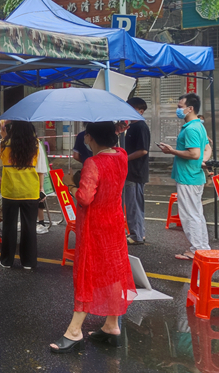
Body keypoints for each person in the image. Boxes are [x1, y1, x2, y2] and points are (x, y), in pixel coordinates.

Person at [50, 121, 136, 353]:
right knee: (114, 271)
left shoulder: (93, 162)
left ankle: (75, 330)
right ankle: (111, 324)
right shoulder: (121, 155)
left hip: (95, 226)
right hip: (116, 222)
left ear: (90, 138)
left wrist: (71, 186)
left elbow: (86, 198)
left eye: (86, 136)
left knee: (88, 273)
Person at [157, 92, 210, 260]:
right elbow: (205, 150)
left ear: (190, 108)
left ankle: (196, 250)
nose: (178, 110)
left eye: (180, 107)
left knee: (189, 215)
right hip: (193, 175)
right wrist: (203, 160)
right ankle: (202, 247)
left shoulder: (192, 129)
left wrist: (171, 151)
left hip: (188, 177)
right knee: (196, 213)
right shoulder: (198, 125)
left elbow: (194, 154)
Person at [0, 121, 42, 271]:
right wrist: (41, 189)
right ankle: (28, 262)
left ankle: (6, 261)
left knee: (9, 226)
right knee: (29, 227)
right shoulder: (36, 144)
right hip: (30, 190)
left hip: (10, 191)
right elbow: (41, 168)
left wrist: (3, 139)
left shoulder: (5, 143)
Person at [123, 98, 150, 245]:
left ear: (140, 111)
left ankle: (137, 235)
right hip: (131, 171)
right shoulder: (130, 126)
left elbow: (143, 150)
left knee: (134, 205)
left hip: (136, 171)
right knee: (132, 204)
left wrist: (124, 158)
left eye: (131, 108)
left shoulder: (140, 126)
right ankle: (138, 233)